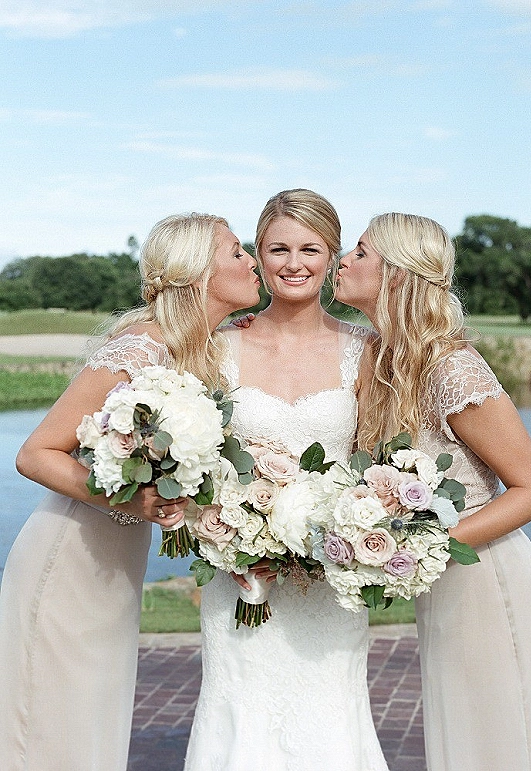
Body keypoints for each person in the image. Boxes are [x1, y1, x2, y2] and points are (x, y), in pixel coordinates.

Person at [0, 212, 260, 771]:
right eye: (238, 252)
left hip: (117, 560)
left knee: (95, 722)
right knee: (49, 726)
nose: (253, 261)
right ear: (198, 272)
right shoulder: (142, 345)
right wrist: (132, 501)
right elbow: (35, 454)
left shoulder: (196, 350)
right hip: (70, 554)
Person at [336, 211, 531, 770]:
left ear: (397, 274)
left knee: (504, 740)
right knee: (462, 738)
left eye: (361, 252)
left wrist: (424, 549)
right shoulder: (381, 360)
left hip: (486, 575)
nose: (343, 261)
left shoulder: (452, 368)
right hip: (438, 584)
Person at [184, 190, 390, 770]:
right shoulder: (218, 347)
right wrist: (223, 535)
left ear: (332, 256)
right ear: (259, 253)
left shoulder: (365, 350)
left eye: (310, 249)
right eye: (278, 249)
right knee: (240, 713)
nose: (293, 264)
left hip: (330, 577)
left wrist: (356, 534)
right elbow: (194, 462)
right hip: (241, 574)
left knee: (331, 717)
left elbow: (376, 465)